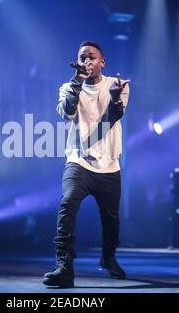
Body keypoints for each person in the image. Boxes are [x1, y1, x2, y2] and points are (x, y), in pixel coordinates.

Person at [43, 41, 130, 287]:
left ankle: (109, 257)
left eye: (91, 57)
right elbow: (67, 112)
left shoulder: (117, 85)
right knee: (68, 202)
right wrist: (76, 83)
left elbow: (112, 119)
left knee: (111, 218)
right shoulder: (68, 86)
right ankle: (64, 264)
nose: (86, 61)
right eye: (82, 57)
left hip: (109, 164)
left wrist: (115, 99)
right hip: (78, 160)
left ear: (103, 62)